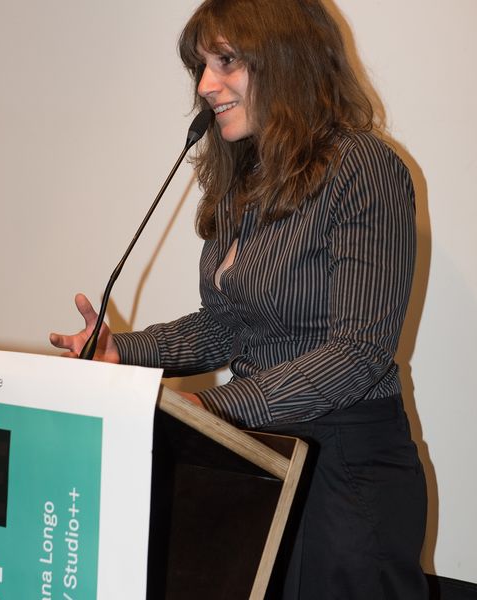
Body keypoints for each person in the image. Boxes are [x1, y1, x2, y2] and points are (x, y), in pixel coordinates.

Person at [50, 0, 428, 598]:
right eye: (202, 66)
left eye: (226, 61)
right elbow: (227, 327)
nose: (206, 85)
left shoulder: (364, 167)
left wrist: (216, 409)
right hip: (258, 456)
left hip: (343, 471)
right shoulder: (245, 180)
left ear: (287, 59)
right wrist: (124, 350)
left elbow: (360, 352)